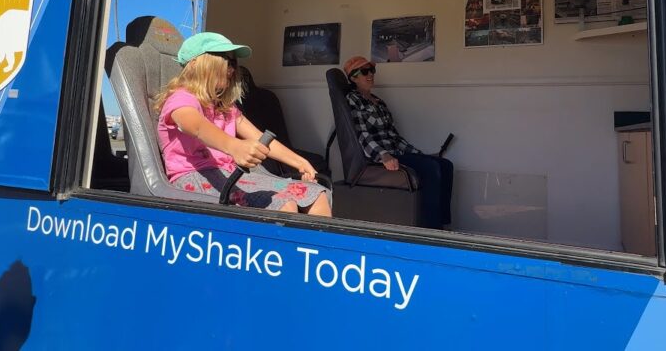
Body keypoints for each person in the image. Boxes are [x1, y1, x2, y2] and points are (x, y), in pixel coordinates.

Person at [156, 32, 331, 216]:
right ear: (195, 63)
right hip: (194, 177)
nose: (232, 69)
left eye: (233, 63)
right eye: (226, 61)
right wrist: (234, 146)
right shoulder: (181, 98)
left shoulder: (225, 107)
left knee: (316, 194)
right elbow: (195, 126)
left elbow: (260, 138)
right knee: (283, 204)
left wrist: (300, 162)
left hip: (229, 173)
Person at [342, 56, 453, 228]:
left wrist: (421, 155)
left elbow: (395, 137)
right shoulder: (353, 100)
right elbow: (361, 135)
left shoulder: (379, 102)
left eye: (372, 70)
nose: (370, 74)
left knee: (445, 165)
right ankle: (431, 228)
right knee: (432, 168)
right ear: (353, 77)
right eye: (364, 71)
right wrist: (383, 156)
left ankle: (442, 224)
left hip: (396, 153)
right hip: (381, 157)